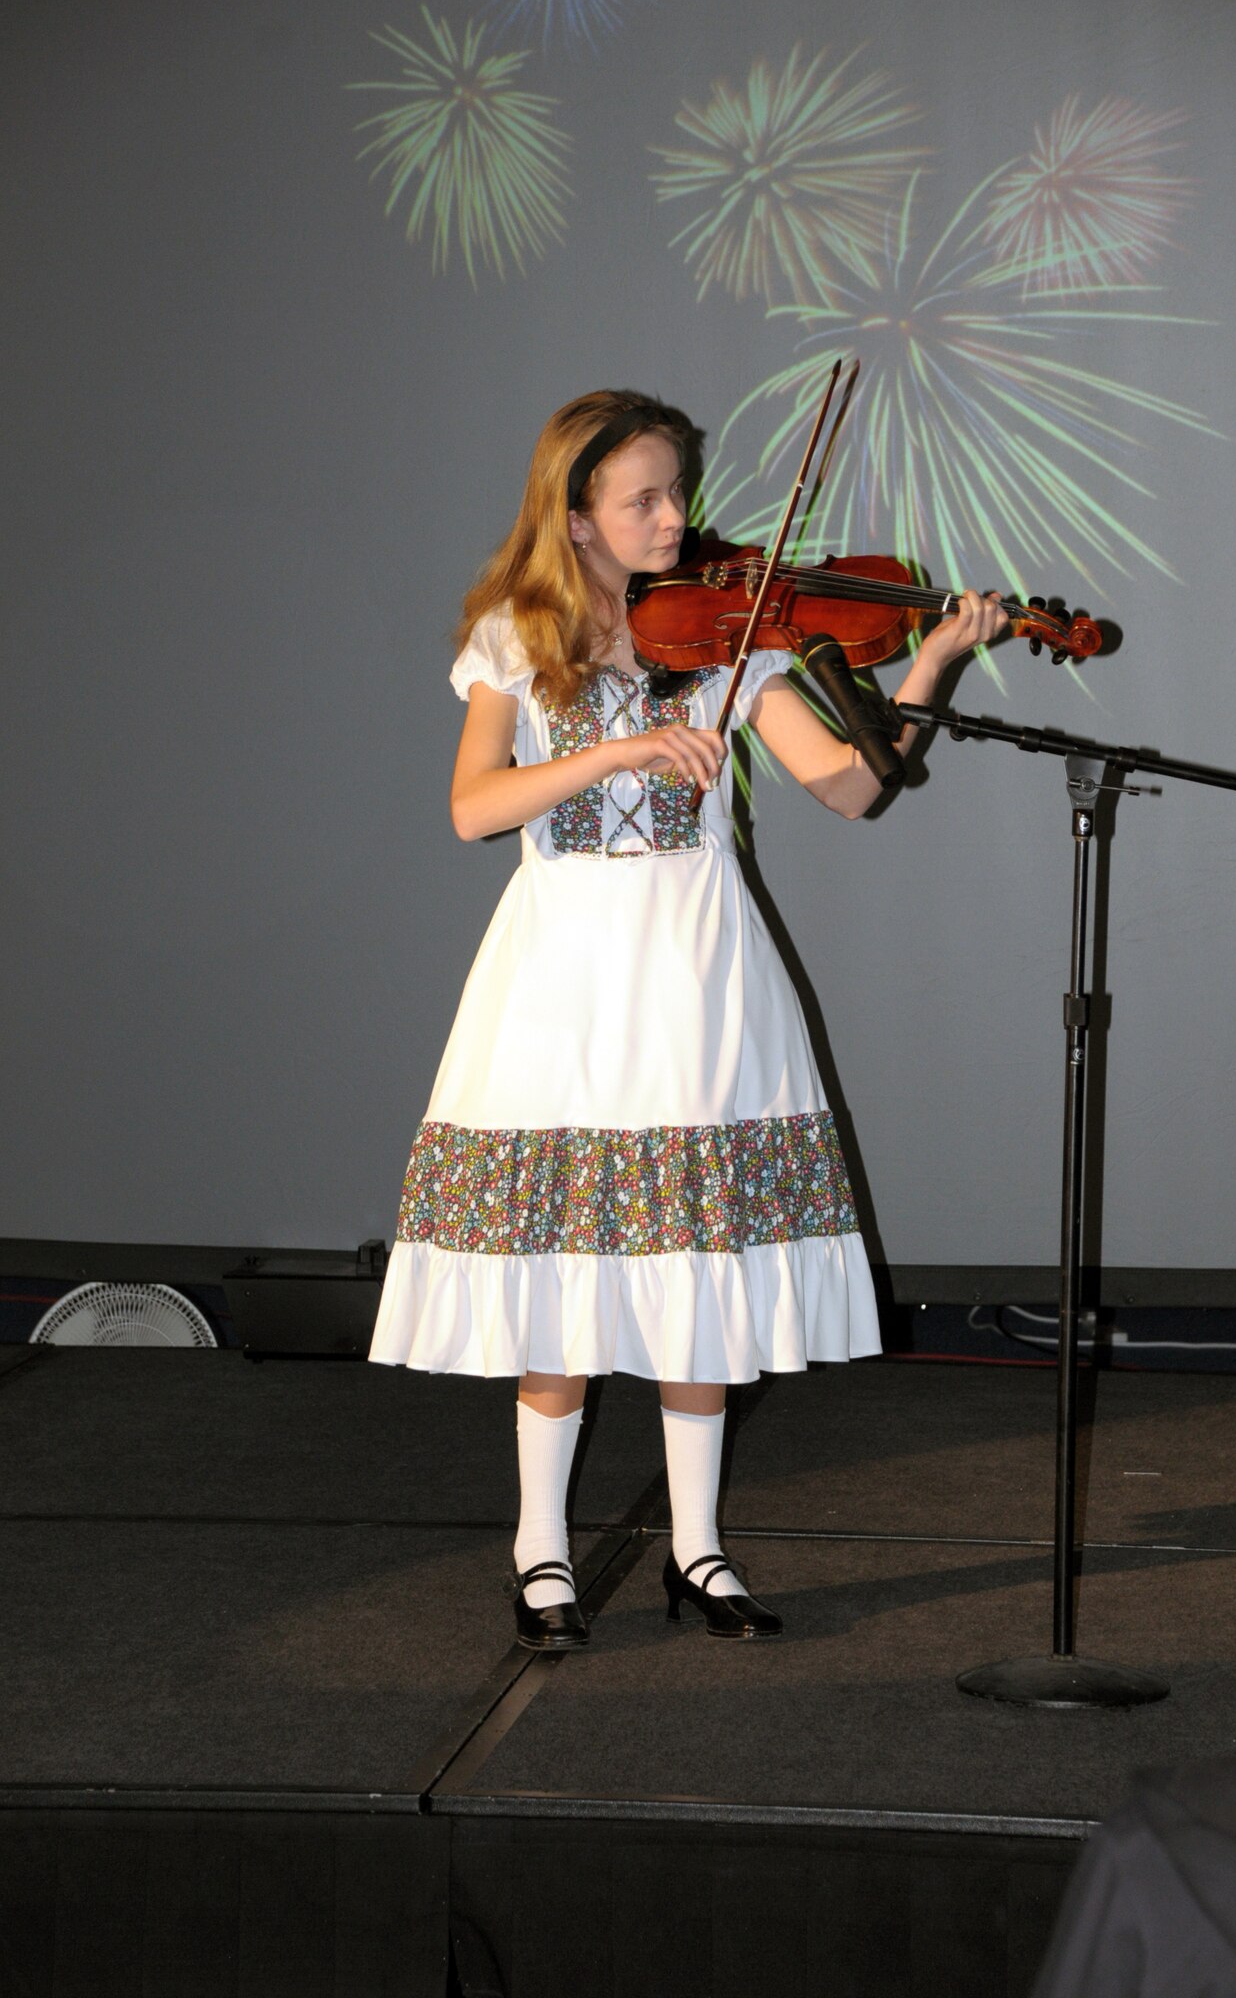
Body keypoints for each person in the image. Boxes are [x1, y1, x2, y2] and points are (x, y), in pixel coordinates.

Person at [368, 388, 1007, 1651]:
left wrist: (925, 665)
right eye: (644, 497)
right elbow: (473, 807)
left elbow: (850, 788)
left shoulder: (730, 637)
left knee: (695, 1272)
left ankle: (697, 1547)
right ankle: (539, 1548)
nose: (675, 518)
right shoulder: (517, 633)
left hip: (700, 967)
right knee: (559, 1275)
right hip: (560, 973)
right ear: (578, 514)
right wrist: (616, 752)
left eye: (677, 492)